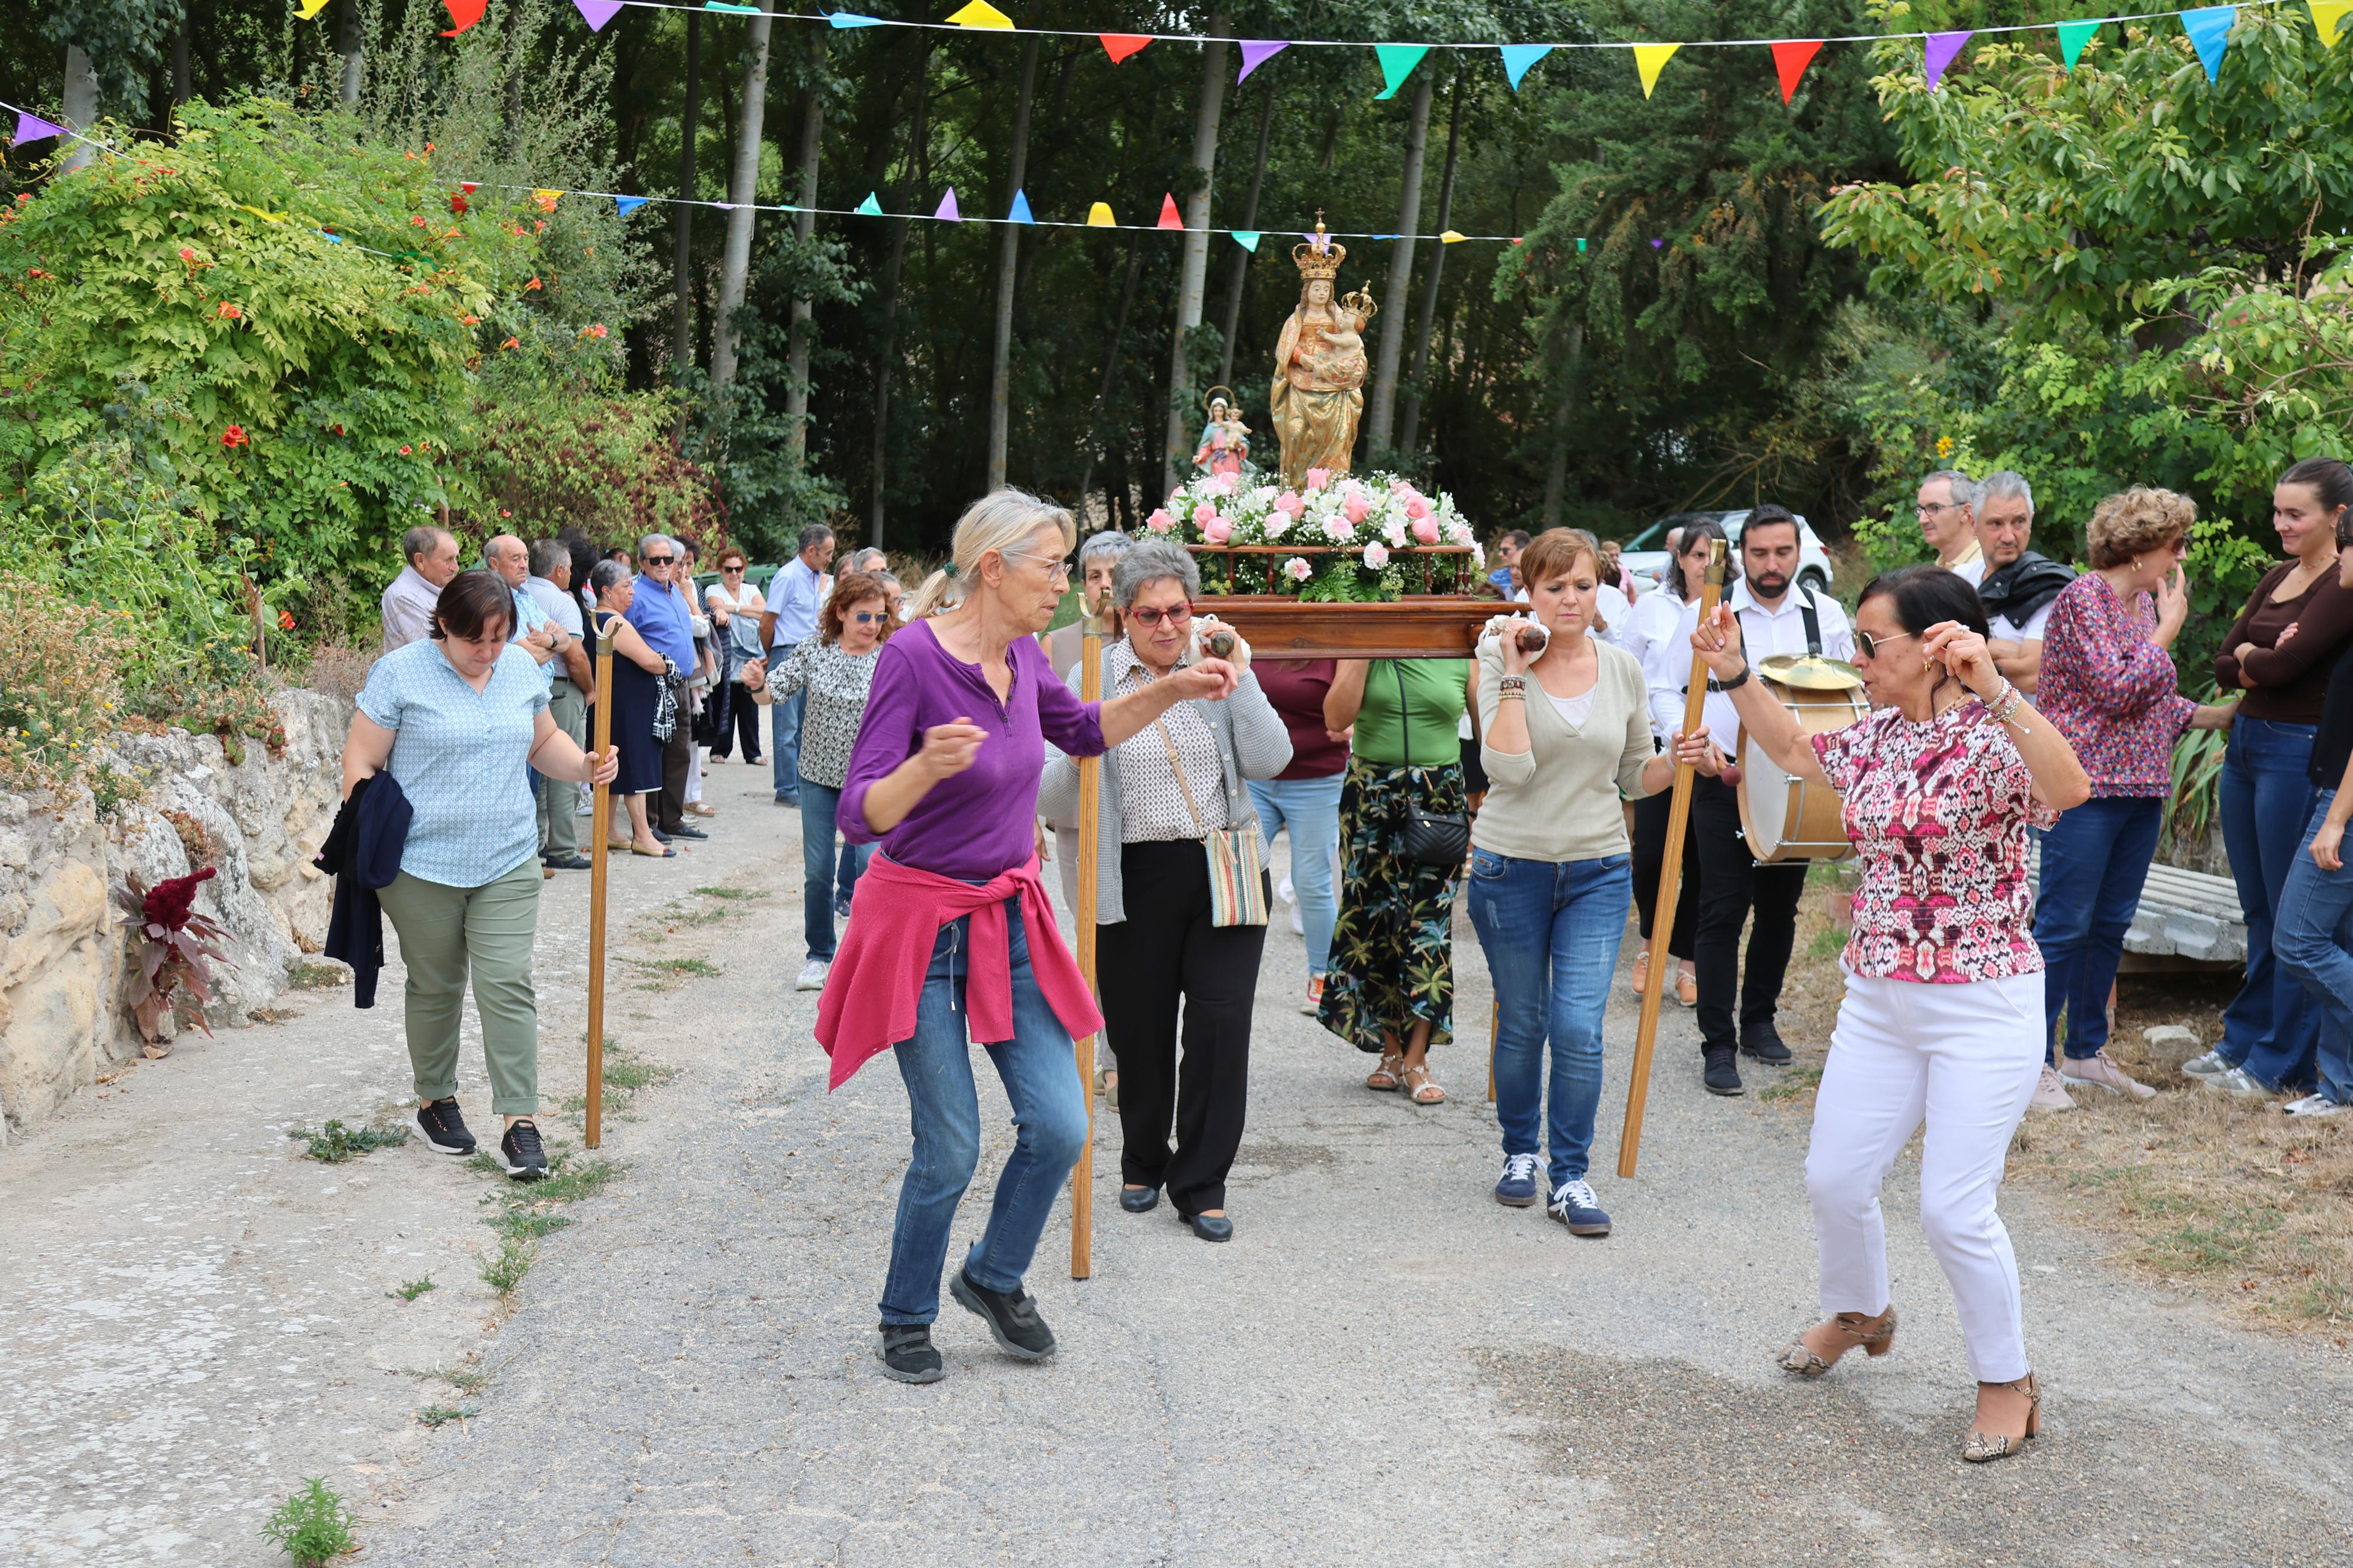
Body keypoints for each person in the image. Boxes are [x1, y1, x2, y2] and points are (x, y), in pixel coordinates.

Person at [820, 489, 1237, 1386]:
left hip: (1009, 919)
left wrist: (1171, 686)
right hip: (921, 927)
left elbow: (1082, 731)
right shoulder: (911, 657)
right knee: (952, 1146)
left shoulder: (1022, 655)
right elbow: (859, 813)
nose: (1067, 581)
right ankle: (905, 1312)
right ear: (996, 568)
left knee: (1059, 1122)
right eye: (1054, 564)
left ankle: (992, 1274)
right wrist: (924, 765)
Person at [1691, 564, 2092, 1463]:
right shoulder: (1874, 732)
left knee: (1952, 1207)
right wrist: (1730, 669)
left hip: (1981, 1000)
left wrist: (1995, 687)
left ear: (1937, 645)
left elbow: (2067, 790)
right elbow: (1793, 750)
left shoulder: (1996, 737)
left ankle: (2005, 1377)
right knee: (1834, 1177)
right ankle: (1860, 1310)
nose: (1856, 658)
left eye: (1871, 643)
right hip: (1878, 993)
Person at [1469, 529, 1717, 1235]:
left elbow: (1634, 775)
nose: (1569, 599)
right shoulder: (1495, 656)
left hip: (1597, 869)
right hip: (1508, 865)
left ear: (1598, 587)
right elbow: (1507, 770)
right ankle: (1519, 1152)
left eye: (1581, 584)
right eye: (1553, 588)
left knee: (1578, 1028)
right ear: (1530, 593)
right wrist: (1515, 671)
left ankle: (1569, 1174)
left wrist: (1679, 759)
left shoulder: (1620, 669)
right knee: (1523, 1020)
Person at [1040, 541, 1289, 1242]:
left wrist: (1240, 677)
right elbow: (1049, 790)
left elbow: (1273, 759)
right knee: (1139, 1029)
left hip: (1223, 865)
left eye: (1176, 610)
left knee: (1219, 1024)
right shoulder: (1092, 676)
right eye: (1147, 613)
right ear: (1121, 614)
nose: (1165, 626)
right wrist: (1103, 730)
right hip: (1133, 873)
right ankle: (1143, 1160)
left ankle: (1202, 1180)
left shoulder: (1216, 665)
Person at [340, 570, 621, 1180]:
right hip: (420, 866)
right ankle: (435, 1101)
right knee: (436, 985)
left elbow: (542, 742)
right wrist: (367, 825)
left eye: (498, 639)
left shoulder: (521, 670)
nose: (487, 653)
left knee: (507, 983)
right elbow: (361, 758)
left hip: (508, 859)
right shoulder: (401, 672)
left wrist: (586, 765)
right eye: (475, 640)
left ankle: (519, 1121)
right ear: (444, 624)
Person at [2031, 488, 2237, 1111]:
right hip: (2084, 787)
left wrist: (2214, 717)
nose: (2180, 556)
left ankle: (2083, 1054)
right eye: (2175, 545)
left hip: (2140, 785)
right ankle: (2028, 1061)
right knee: (2062, 926)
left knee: (2107, 926)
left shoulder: (2140, 603)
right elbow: (2117, 689)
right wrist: (2170, 628)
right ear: (2143, 548)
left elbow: (2148, 698)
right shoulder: (2082, 599)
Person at [1656, 504, 1853, 1096]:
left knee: (1778, 909)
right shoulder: (1706, 612)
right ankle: (1716, 1043)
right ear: (1741, 553)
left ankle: (1759, 1022)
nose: (1771, 564)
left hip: (1794, 789)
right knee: (1720, 909)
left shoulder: (1826, 616)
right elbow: (1664, 687)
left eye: (1782, 552)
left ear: (1799, 553)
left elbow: (1854, 694)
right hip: (1723, 780)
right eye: (1760, 553)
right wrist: (1686, 739)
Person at [2187, 458, 2353, 1100]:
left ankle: (2281, 1058)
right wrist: (2258, 657)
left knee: (2293, 912)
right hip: (2246, 744)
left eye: (2295, 514)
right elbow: (2223, 660)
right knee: (2256, 906)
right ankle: (2245, 1037)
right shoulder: (2278, 575)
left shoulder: (2342, 583)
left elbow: (2283, 667)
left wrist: (2254, 660)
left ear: (2335, 518)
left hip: (2296, 749)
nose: (2280, 524)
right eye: (2277, 511)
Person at [1319, 650, 1478, 1105]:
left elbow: (1490, 731)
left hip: (1439, 798)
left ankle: (1416, 1058)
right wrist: (1361, 652)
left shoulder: (1458, 649)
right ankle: (1390, 1052)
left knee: (1427, 924)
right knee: (1377, 922)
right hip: (1370, 793)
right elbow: (1335, 717)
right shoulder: (1365, 645)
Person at [764, 570, 895, 992]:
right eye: (863, 617)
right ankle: (819, 955)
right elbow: (774, 691)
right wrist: (754, 686)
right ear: (839, 613)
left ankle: (868, 957)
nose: (872, 627)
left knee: (869, 867)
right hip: (818, 776)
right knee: (818, 871)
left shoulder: (891, 656)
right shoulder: (815, 650)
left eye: (879, 617)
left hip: (871, 782)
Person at [2272, 509, 2353, 1117]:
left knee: (2297, 940)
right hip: (2336, 795)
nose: (2338, 565)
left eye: (2345, 552)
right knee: (2334, 939)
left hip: (2344, 805)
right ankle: (2339, 1088)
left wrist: (2334, 819)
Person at [1627, 520, 1724, 1009]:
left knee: (1699, 861)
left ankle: (1687, 962)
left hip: (1714, 747)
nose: (1706, 564)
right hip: (1659, 742)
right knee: (1649, 858)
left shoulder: (1729, 612)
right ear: (1681, 558)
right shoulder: (1650, 607)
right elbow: (1628, 670)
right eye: (1698, 555)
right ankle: (1649, 944)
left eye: (1714, 555)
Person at [1249, 655, 1350, 1015]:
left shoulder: (1335, 644)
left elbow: (1359, 703)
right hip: (1258, 774)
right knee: (1240, 876)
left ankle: (1322, 975)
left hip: (1316, 777)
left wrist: (1355, 723)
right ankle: (1231, 974)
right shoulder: (1264, 631)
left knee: (1311, 880)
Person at [587, 561, 677, 858]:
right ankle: (643, 834)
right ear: (606, 591)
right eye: (626, 586)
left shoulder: (595, 618)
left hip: (617, 706)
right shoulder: (613, 622)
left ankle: (610, 830)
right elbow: (650, 661)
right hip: (627, 708)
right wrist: (666, 664)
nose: (632, 593)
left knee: (617, 770)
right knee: (635, 771)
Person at [625, 534, 705, 845]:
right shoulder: (636, 596)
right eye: (655, 560)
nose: (662, 565)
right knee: (654, 753)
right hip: (654, 684)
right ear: (642, 563)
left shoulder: (675, 592)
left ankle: (673, 819)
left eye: (668, 560)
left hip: (682, 683)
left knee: (679, 752)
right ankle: (649, 823)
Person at [524, 539, 594, 872]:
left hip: (530, 689)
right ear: (559, 570)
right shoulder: (562, 603)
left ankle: (536, 845)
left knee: (536, 766)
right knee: (565, 768)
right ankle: (564, 848)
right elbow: (576, 656)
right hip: (563, 689)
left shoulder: (520, 594)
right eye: (568, 569)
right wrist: (591, 691)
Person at [1972, 472, 2075, 696]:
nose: (2009, 536)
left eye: (2019, 522)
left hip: (2025, 727)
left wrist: (1973, 650)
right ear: (1974, 525)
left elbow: (2034, 676)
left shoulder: (2052, 587)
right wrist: (2005, 652)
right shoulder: (1960, 579)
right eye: (1996, 524)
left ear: (2031, 521)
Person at [761, 524, 837, 806]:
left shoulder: (817, 578)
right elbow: (767, 622)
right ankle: (786, 788)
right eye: (827, 553)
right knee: (787, 726)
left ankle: (802, 784)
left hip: (813, 653)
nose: (830, 558)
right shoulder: (788, 576)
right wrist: (774, 654)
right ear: (811, 550)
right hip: (789, 651)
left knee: (807, 724)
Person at [702, 547, 766, 766]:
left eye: (738, 569)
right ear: (721, 570)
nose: (734, 574)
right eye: (729, 569)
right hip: (728, 657)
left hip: (750, 656)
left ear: (744, 570)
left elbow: (765, 612)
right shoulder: (714, 588)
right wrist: (740, 609)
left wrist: (733, 608)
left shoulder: (751, 590)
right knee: (725, 704)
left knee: (750, 707)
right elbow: (716, 607)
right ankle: (720, 749)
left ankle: (753, 752)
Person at [1042, 530, 1131, 681]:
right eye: (1095, 576)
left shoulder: (1149, 640)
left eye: (1114, 575)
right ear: (1085, 585)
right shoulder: (1055, 645)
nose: (1104, 584)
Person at [381, 524, 460, 652]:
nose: (456, 568)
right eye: (448, 560)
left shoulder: (440, 586)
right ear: (420, 561)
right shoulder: (403, 596)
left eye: (456, 558)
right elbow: (437, 648)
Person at [1918, 470, 1985, 585]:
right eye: (1920, 509)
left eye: (1934, 508)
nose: (1922, 520)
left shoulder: (1986, 569)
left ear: (1965, 513)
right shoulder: (1939, 569)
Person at [1488, 529, 1531, 597]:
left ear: (1523, 550)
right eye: (1500, 550)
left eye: (1505, 550)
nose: (1500, 554)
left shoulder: (1535, 577)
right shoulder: (1497, 577)